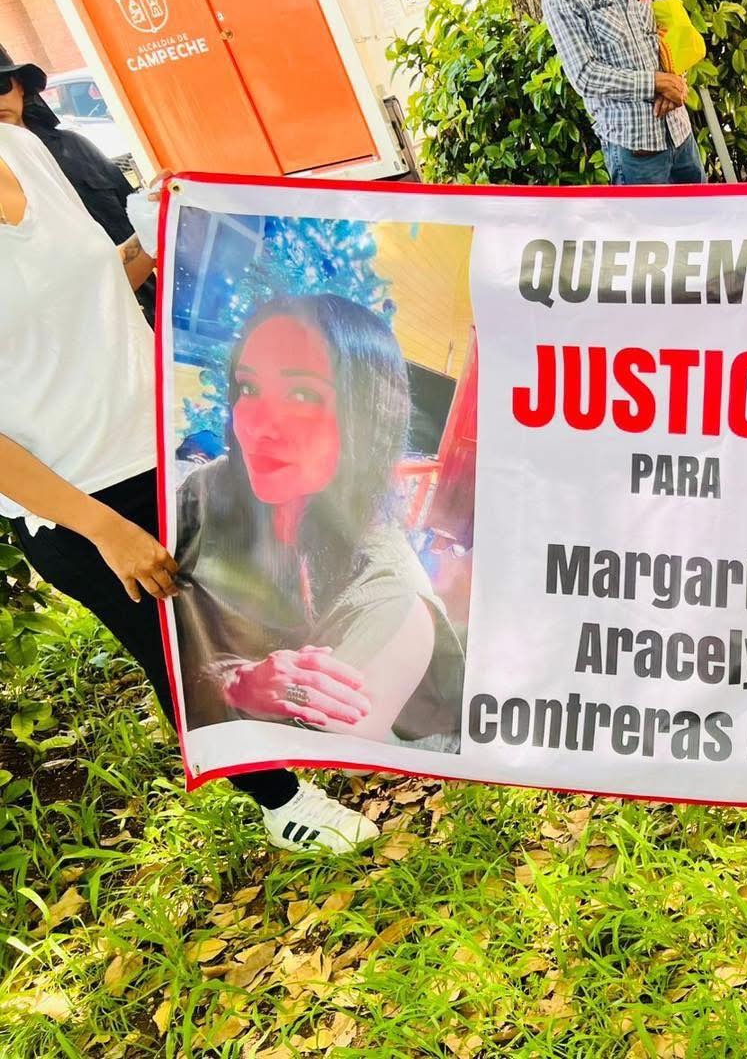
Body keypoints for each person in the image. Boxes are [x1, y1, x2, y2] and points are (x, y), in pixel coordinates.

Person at [0, 116, 377, 853]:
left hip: (167, 443)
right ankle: (280, 801)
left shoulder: (23, 149)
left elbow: (84, 296)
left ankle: (311, 734)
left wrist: (151, 238)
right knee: (182, 655)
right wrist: (103, 529)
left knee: (248, 608)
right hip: (78, 499)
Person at [174, 294, 465, 754]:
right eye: (248, 388)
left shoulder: (394, 602)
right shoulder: (207, 489)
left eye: (303, 395)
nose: (258, 426)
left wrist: (244, 687)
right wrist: (233, 678)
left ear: (367, 419)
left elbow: (330, 757)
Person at [0, 45, 155, 324]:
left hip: (145, 313)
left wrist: (157, 208)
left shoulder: (74, 146)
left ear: (20, 86)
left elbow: (134, 218)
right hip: (74, 330)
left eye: (1, 85)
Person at [542, 0, 706, 186]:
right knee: (643, 210)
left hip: (681, 133)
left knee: (703, 207)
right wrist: (656, 83)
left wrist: (676, 81)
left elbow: (670, 28)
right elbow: (585, 74)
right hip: (637, 150)